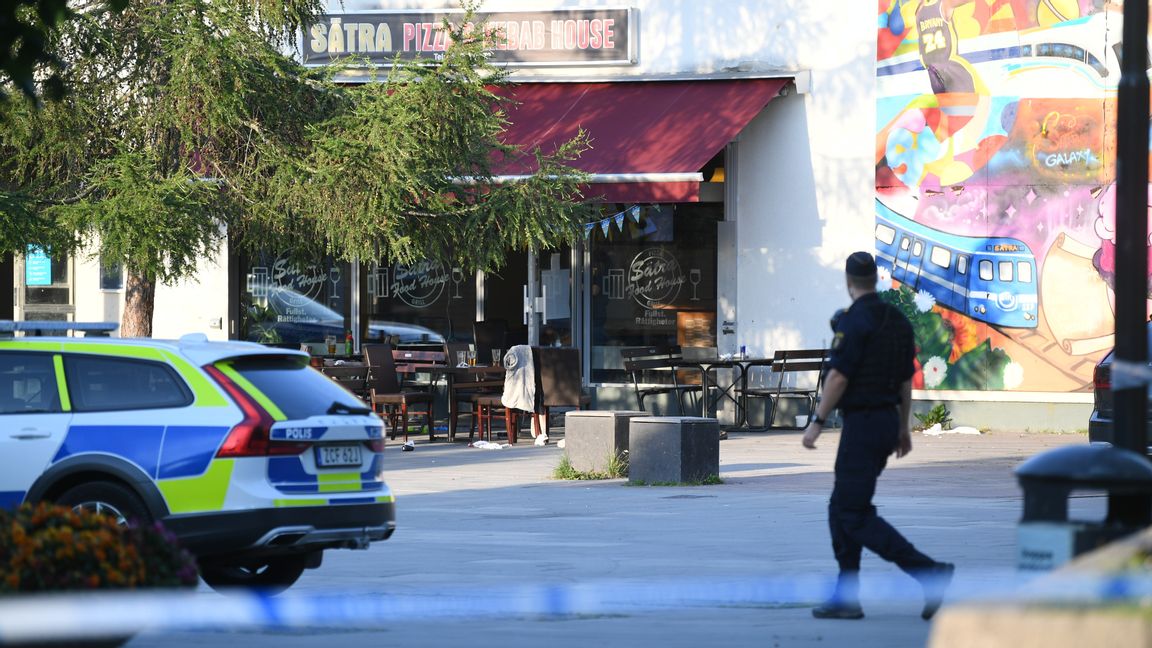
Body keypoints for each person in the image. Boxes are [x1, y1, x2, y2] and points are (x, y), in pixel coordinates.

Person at [801, 251, 954, 621]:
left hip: (864, 425)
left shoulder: (855, 322)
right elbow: (905, 380)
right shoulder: (897, 320)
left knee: (852, 512)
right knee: (843, 507)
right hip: (885, 423)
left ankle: (929, 573)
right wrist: (902, 427)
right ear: (875, 279)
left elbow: (838, 377)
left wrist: (817, 421)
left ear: (849, 280)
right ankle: (847, 596)